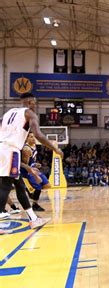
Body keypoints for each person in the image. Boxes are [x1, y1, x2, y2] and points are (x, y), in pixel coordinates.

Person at [0, 93, 63, 234]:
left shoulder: (8, 113)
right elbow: (38, 135)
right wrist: (55, 148)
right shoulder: (29, 114)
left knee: (19, 185)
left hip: (2, 148)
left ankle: (33, 218)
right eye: (34, 102)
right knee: (5, 185)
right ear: (30, 101)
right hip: (11, 150)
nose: (35, 105)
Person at [20, 132, 51, 212]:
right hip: (28, 172)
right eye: (31, 137)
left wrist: (35, 164)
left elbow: (31, 161)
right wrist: (33, 167)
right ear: (26, 138)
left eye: (34, 137)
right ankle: (35, 204)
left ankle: (32, 194)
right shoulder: (26, 149)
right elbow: (24, 164)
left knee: (47, 185)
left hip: (33, 168)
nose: (33, 138)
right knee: (38, 187)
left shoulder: (34, 145)